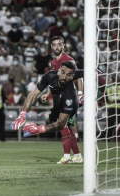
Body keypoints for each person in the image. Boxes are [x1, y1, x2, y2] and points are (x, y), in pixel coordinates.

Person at [11, 62, 83, 141]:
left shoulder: (70, 95)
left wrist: (39, 129)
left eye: (69, 75)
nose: (64, 77)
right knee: (47, 120)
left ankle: (74, 137)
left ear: (73, 77)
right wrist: (22, 115)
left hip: (69, 106)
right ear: (58, 71)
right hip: (57, 105)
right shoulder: (50, 76)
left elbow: (61, 124)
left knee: (65, 124)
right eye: (63, 72)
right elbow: (33, 95)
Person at [41, 36, 83, 164]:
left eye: (59, 44)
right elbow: (54, 80)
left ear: (63, 45)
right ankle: (77, 155)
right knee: (68, 127)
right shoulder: (53, 62)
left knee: (63, 124)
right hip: (58, 97)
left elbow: (79, 76)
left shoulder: (69, 60)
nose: (57, 47)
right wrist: (47, 93)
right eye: (54, 45)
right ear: (51, 47)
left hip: (69, 96)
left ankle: (67, 156)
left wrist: (80, 93)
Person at [105, 73, 120, 139]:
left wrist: (113, 101)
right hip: (117, 108)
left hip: (114, 108)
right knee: (117, 124)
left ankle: (109, 138)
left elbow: (105, 99)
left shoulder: (108, 88)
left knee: (111, 124)